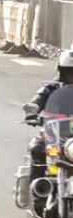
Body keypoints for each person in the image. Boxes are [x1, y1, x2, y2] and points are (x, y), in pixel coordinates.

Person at [22, 51, 73, 208]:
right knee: (37, 148)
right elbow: (39, 99)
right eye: (69, 72)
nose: (72, 76)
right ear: (61, 71)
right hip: (56, 131)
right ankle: (38, 194)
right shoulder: (52, 87)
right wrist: (33, 110)